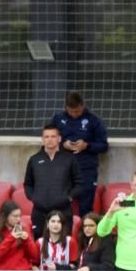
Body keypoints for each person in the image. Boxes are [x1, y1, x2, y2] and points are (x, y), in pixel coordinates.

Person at [50, 91, 108, 219]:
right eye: (71, 111)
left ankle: (85, 236)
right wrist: (62, 145)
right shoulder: (58, 119)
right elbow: (47, 141)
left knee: (86, 206)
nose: (74, 114)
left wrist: (87, 145)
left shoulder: (94, 120)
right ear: (66, 108)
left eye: (76, 111)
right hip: (62, 167)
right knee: (60, 204)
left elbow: (104, 145)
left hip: (86, 169)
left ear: (82, 106)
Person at [23, 124, 80, 238]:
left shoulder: (70, 159)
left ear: (59, 138)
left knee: (63, 244)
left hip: (63, 210)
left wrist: (68, 198)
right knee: (39, 245)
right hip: (39, 211)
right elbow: (28, 184)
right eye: (46, 136)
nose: (49, 140)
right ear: (42, 139)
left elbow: (79, 183)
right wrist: (34, 198)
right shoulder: (34, 160)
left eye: (53, 136)